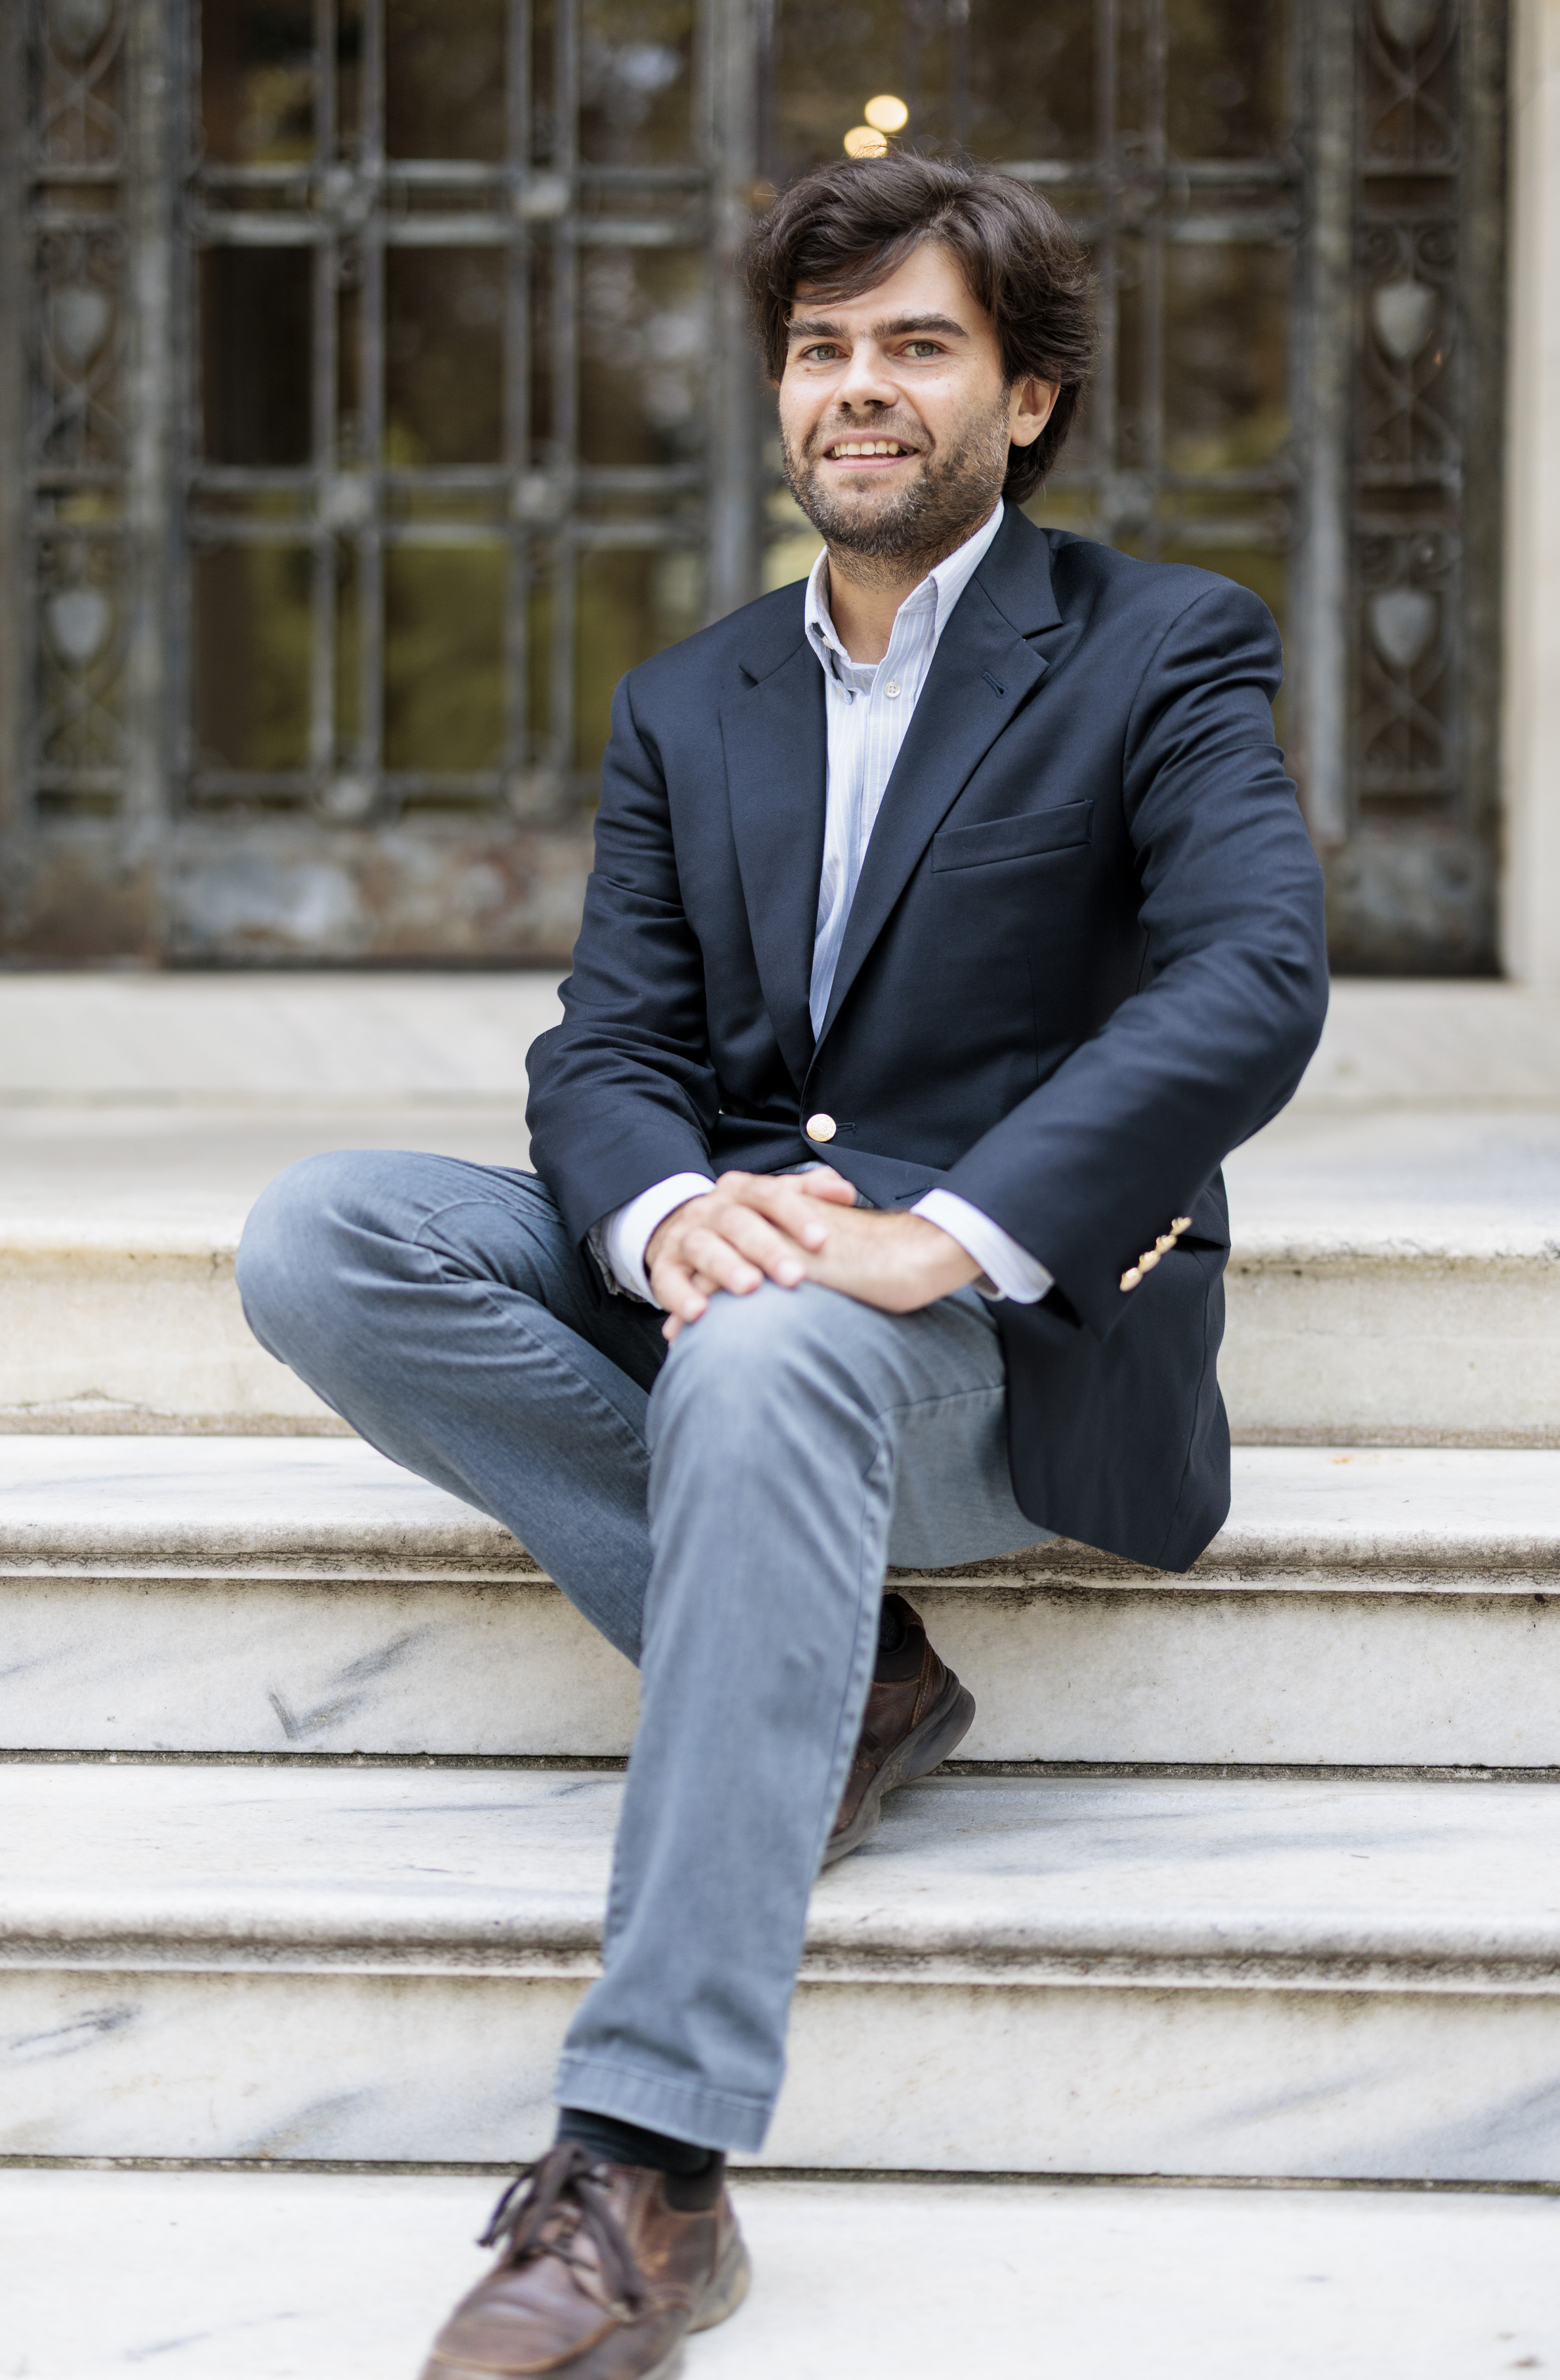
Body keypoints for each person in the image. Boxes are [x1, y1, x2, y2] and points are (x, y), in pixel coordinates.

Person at [236, 152, 1328, 2379]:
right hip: (747, 1281)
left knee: (755, 1370)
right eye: (821, 350)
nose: (858, 389)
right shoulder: (689, 697)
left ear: (1020, 401)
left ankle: (646, 2163)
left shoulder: (1161, 643)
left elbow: (1249, 979)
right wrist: (665, 1211)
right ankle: (860, 1684)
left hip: (1002, 1347)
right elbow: (607, 1042)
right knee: (325, 1234)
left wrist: (952, 1224)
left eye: (916, 346)